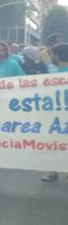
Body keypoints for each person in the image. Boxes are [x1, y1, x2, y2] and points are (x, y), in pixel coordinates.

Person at [41, 43, 68, 182]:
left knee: (57, 144)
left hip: (57, 115)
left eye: (53, 55)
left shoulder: (54, 73)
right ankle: (55, 170)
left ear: (57, 56)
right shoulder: (53, 71)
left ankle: (54, 170)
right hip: (56, 115)